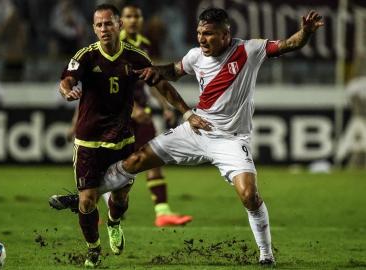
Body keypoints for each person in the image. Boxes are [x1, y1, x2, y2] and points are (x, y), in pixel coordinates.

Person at [54, 7, 323, 265]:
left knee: (249, 195)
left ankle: (266, 255)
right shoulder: (196, 55)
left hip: (231, 139)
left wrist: (307, 33)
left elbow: (289, 44)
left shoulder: (249, 50)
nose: (202, 39)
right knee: (136, 161)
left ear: (225, 34)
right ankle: (84, 198)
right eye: (199, 33)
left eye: (208, 34)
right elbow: (173, 71)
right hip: (196, 128)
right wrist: (155, 71)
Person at [53, 4, 210, 268]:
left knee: (121, 199)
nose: (104, 29)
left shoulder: (135, 57)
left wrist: (185, 112)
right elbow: (66, 80)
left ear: (119, 26)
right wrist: (67, 91)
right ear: (94, 28)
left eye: (109, 23)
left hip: (123, 139)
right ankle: (93, 250)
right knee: (87, 200)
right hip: (89, 142)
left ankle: (114, 223)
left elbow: (162, 84)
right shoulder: (86, 56)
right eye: (99, 25)